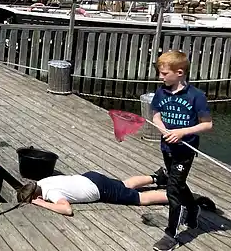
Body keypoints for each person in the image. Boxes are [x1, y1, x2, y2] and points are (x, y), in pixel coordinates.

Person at [151, 50, 213, 251]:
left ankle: (171, 235)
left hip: (184, 151)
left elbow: (207, 124)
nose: (160, 77)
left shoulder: (196, 96)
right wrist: (162, 128)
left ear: (179, 72)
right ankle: (193, 208)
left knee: (173, 191)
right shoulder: (162, 92)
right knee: (177, 183)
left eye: (164, 73)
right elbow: (156, 114)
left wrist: (182, 132)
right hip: (166, 147)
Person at [17, 168, 169, 216]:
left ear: (36, 196)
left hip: (98, 189)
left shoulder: (51, 194)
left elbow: (67, 209)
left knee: (140, 198)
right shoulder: (43, 181)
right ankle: (157, 178)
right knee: (125, 184)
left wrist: (43, 204)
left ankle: (176, 197)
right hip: (89, 176)